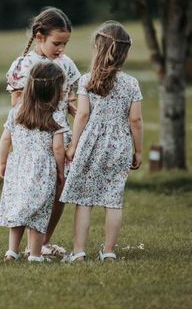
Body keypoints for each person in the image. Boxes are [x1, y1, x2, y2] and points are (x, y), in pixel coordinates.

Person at [60, 21, 143, 262]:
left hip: (91, 145)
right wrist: (138, 151)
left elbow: (82, 115)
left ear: (98, 48)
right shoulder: (131, 84)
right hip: (120, 146)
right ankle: (108, 252)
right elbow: (135, 120)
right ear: (124, 53)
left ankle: (79, 251)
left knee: (84, 200)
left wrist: (73, 145)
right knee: (113, 199)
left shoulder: (87, 81)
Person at [5, 7, 80, 257]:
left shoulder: (65, 64)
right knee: (33, 192)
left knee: (60, 189)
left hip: (60, 135)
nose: (61, 49)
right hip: (35, 139)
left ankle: (42, 242)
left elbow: (69, 98)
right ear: (39, 36)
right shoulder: (24, 65)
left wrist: (79, 112)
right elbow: (16, 102)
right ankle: (30, 246)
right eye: (56, 43)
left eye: (65, 44)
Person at [0, 62, 67, 262]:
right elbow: (58, 148)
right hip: (42, 169)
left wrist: (3, 163)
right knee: (39, 210)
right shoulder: (56, 115)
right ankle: (35, 255)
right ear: (55, 91)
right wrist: (60, 171)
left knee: (18, 207)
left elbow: (5, 139)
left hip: (17, 166)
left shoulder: (17, 111)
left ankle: (12, 250)